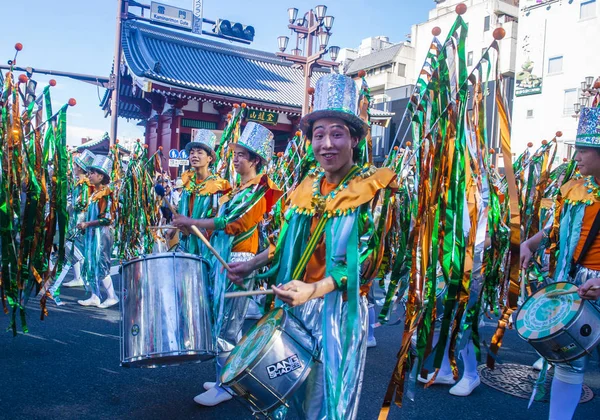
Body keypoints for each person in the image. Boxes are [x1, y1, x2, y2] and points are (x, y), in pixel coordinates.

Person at [227, 74, 397, 419]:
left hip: (337, 309)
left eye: (337, 133)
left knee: (326, 398)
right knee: (289, 392)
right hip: (295, 304)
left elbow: (365, 260)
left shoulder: (372, 190)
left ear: (354, 140)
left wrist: (316, 289)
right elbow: (284, 243)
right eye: (319, 135)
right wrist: (252, 264)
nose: (327, 144)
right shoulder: (305, 188)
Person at [173, 122, 281, 407]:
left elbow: (231, 223)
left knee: (228, 326)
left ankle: (228, 385)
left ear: (255, 160)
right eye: (234, 155)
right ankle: (226, 377)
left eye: (241, 155)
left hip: (239, 261)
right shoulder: (238, 189)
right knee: (221, 321)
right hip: (222, 259)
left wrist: (192, 222)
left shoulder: (261, 190)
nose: (235, 159)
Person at [521, 106, 600, 420]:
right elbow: (553, 228)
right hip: (577, 283)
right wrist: (529, 243)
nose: (576, 157)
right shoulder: (574, 190)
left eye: (583, 150)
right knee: (570, 361)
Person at [175, 130, 230, 256]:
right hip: (185, 245)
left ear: (210, 158)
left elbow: (219, 221)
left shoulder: (218, 186)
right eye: (192, 152)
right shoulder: (187, 182)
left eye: (200, 152)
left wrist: (193, 227)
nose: (194, 155)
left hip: (207, 248)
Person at [77, 154, 119, 309]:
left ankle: (112, 296)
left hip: (102, 235)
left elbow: (107, 219)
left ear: (101, 176)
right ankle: (95, 295)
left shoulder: (106, 194)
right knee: (91, 263)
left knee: (101, 264)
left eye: (93, 173)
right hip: (92, 234)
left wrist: (87, 223)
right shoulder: (94, 194)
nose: (90, 175)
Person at [62, 150, 94, 290]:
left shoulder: (84, 184)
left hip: (80, 217)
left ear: (80, 168)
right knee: (70, 245)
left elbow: (83, 203)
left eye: (75, 166)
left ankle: (81, 275)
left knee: (72, 245)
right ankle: (77, 277)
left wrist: (72, 205)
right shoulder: (79, 182)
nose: (73, 168)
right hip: (75, 216)